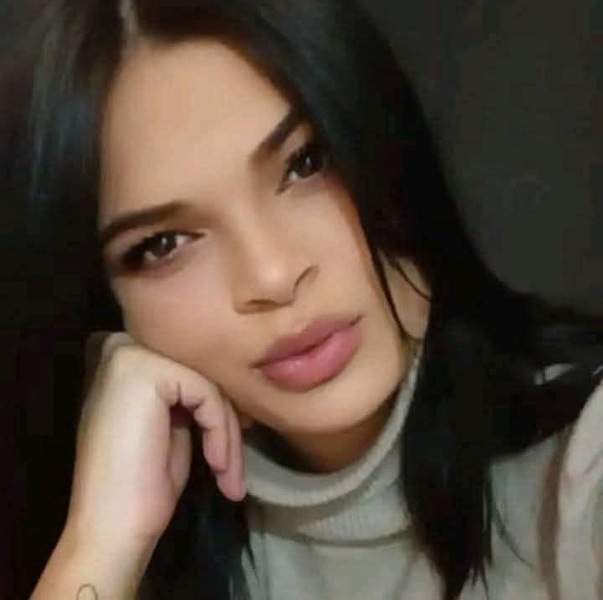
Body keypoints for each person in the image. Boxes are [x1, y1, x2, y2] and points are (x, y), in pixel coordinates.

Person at [24, 0, 603, 598]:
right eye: (164, 244)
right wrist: (99, 545)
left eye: (307, 163)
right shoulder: (139, 530)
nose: (273, 276)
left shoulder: (585, 456)